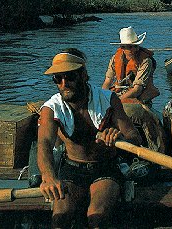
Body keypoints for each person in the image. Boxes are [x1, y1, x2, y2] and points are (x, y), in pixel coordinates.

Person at [38, 48, 142, 228]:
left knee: (97, 217)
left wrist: (119, 139)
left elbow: (135, 138)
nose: (64, 83)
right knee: (60, 217)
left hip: (106, 168)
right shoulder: (51, 108)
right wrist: (48, 177)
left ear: (83, 75)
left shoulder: (108, 100)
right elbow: (45, 143)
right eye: (58, 79)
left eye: (70, 77)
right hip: (72, 169)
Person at [102, 26, 160, 107]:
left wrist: (116, 101)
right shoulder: (115, 58)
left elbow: (137, 89)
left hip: (140, 94)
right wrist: (103, 97)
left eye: (136, 46)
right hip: (120, 92)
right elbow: (108, 81)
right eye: (130, 47)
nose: (135, 49)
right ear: (122, 47)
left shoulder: (145, 61)